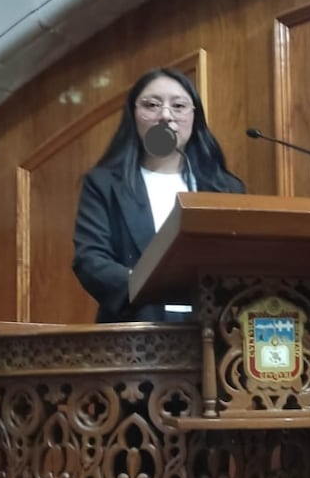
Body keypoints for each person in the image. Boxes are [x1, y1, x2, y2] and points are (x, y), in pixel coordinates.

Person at [72, 67, 246, 322]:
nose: (165, 115)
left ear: (194, 118)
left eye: (178, 106)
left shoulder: (226, 188)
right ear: (134, 115)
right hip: (135, 332)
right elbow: (90, 260)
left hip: (214, 333)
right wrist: (150, 287)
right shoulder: (105, 184)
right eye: (152, 105)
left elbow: (241, 261)